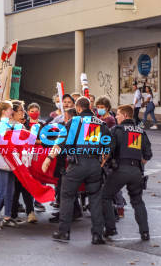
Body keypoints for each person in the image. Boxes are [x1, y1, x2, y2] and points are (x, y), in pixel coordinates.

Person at [42, 97, 111, 245]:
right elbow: (108, 148)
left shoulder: (74, 122)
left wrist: (48, 158)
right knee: (95, 200)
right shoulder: (101, 124)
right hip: (94, 165)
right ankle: (97, 235)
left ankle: (63, 232)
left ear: (78, 109)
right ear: (89, 107)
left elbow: (60, 143)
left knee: (67, 196)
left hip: (77, 164)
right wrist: (100, 163)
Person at [102, 105, 152, 241]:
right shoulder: (140, 131)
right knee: (137, 201)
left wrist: (102, 164)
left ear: (125, 115)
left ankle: (111, 229)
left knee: (105, 196)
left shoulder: (117, 129)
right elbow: (148, 154)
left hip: (120, 169)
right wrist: (137, 165)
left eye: (118, 114)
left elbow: (108, 150)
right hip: (136, 171)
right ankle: (145, 232)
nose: (116, 117)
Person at [0, 101, 18, 227]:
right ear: (3, 111)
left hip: (9, 161)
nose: (12, 111)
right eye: (10, 109)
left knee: (10, 191)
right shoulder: (1, 125)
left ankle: (7, 216)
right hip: (1, 161)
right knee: (2, 190)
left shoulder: (6, 124)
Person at [95, 96, 126, 219]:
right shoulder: (98, 118)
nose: (99, 109)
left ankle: (119, 206)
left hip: (108, 154)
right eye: (97, 107)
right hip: (99, 153)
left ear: (107, 108)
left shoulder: (110, 120)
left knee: (112, 182)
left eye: (102, 107)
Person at [10, 100, 37, 224]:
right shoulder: (10, 126)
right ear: (13, 112)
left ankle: (24, 212)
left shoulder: (20, 125)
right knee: (15, 188)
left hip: (22, 161)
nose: (24, 112)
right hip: (14, 162)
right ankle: (12, 214)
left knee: (22, 187)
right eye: (21, 110)